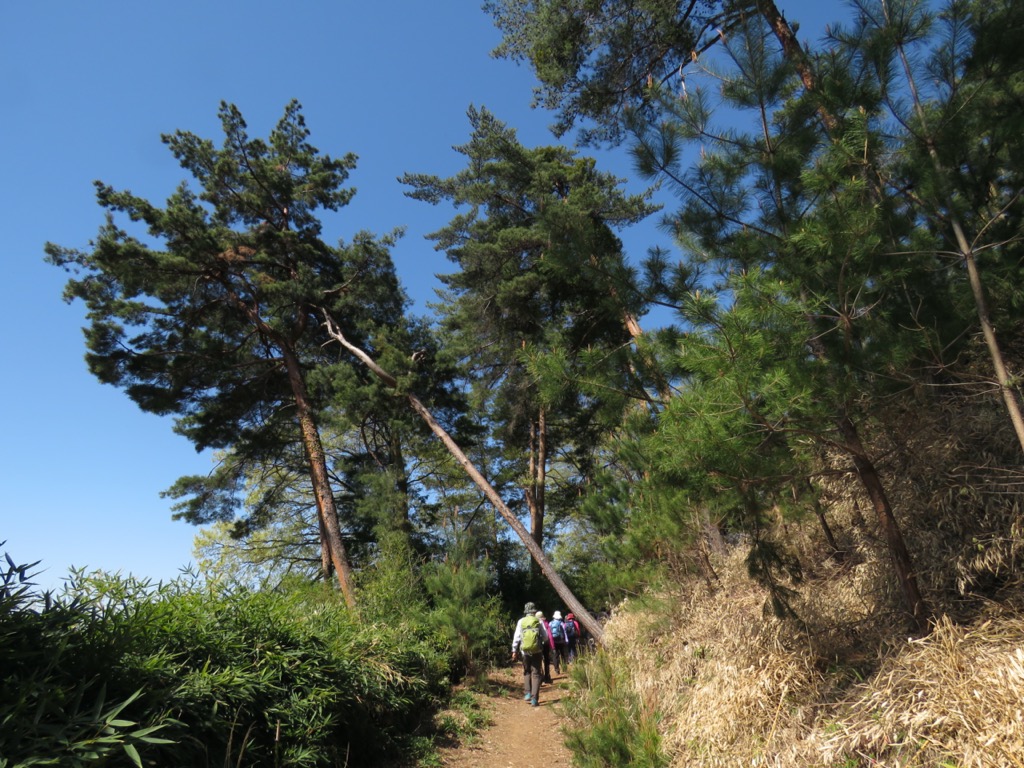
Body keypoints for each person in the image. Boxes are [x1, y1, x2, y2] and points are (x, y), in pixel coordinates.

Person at [511, 601, 548, 707]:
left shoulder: (521, 621)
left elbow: (517, 637)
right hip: (537, 651)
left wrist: (514, 650)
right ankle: (534, 699)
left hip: (525, 651)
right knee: (536, 674)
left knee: (527, 671)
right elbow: (545, 637)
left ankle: (527, 693)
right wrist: (541, 642)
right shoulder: (538, 621)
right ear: (534, 611)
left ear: (526, 611)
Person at [536, 610, 555, 683]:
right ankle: (547, 677)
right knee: (546, 660)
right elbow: (549, 636)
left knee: (538, 660)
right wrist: (552, 646)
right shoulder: (546, 623)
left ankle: (540, 677)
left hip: (537, 644)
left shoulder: (534, 622)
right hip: (546, 644)